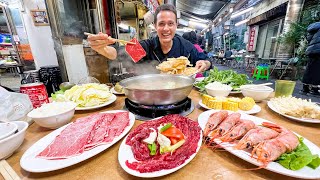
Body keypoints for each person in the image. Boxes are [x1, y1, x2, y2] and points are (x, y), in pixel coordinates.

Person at [87, 4, 211, 73]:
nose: (166, 29)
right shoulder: (147, 46)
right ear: (155, 26)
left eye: (170, 24)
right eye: (161, 24)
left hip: (179, 92)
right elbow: (117, 54)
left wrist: (205, 63)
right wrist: (101, 48)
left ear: (176, 25)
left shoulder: (186, 46)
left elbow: (206, 60)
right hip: (152, 93)